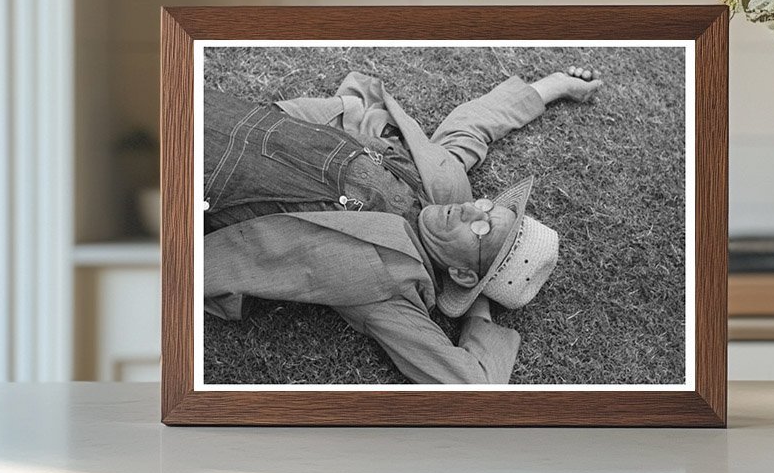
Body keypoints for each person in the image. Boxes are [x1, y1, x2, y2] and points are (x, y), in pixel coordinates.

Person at [203, 64, 602, 385]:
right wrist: (553, 87)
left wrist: (475, 301)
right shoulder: (445, 187)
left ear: (462, 272)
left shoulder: (391, 291)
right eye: (488, 207)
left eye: (482, 230)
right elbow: (475, 125)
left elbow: (470, 384)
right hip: (244, 118)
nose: (472, 211)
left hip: (209, 181)